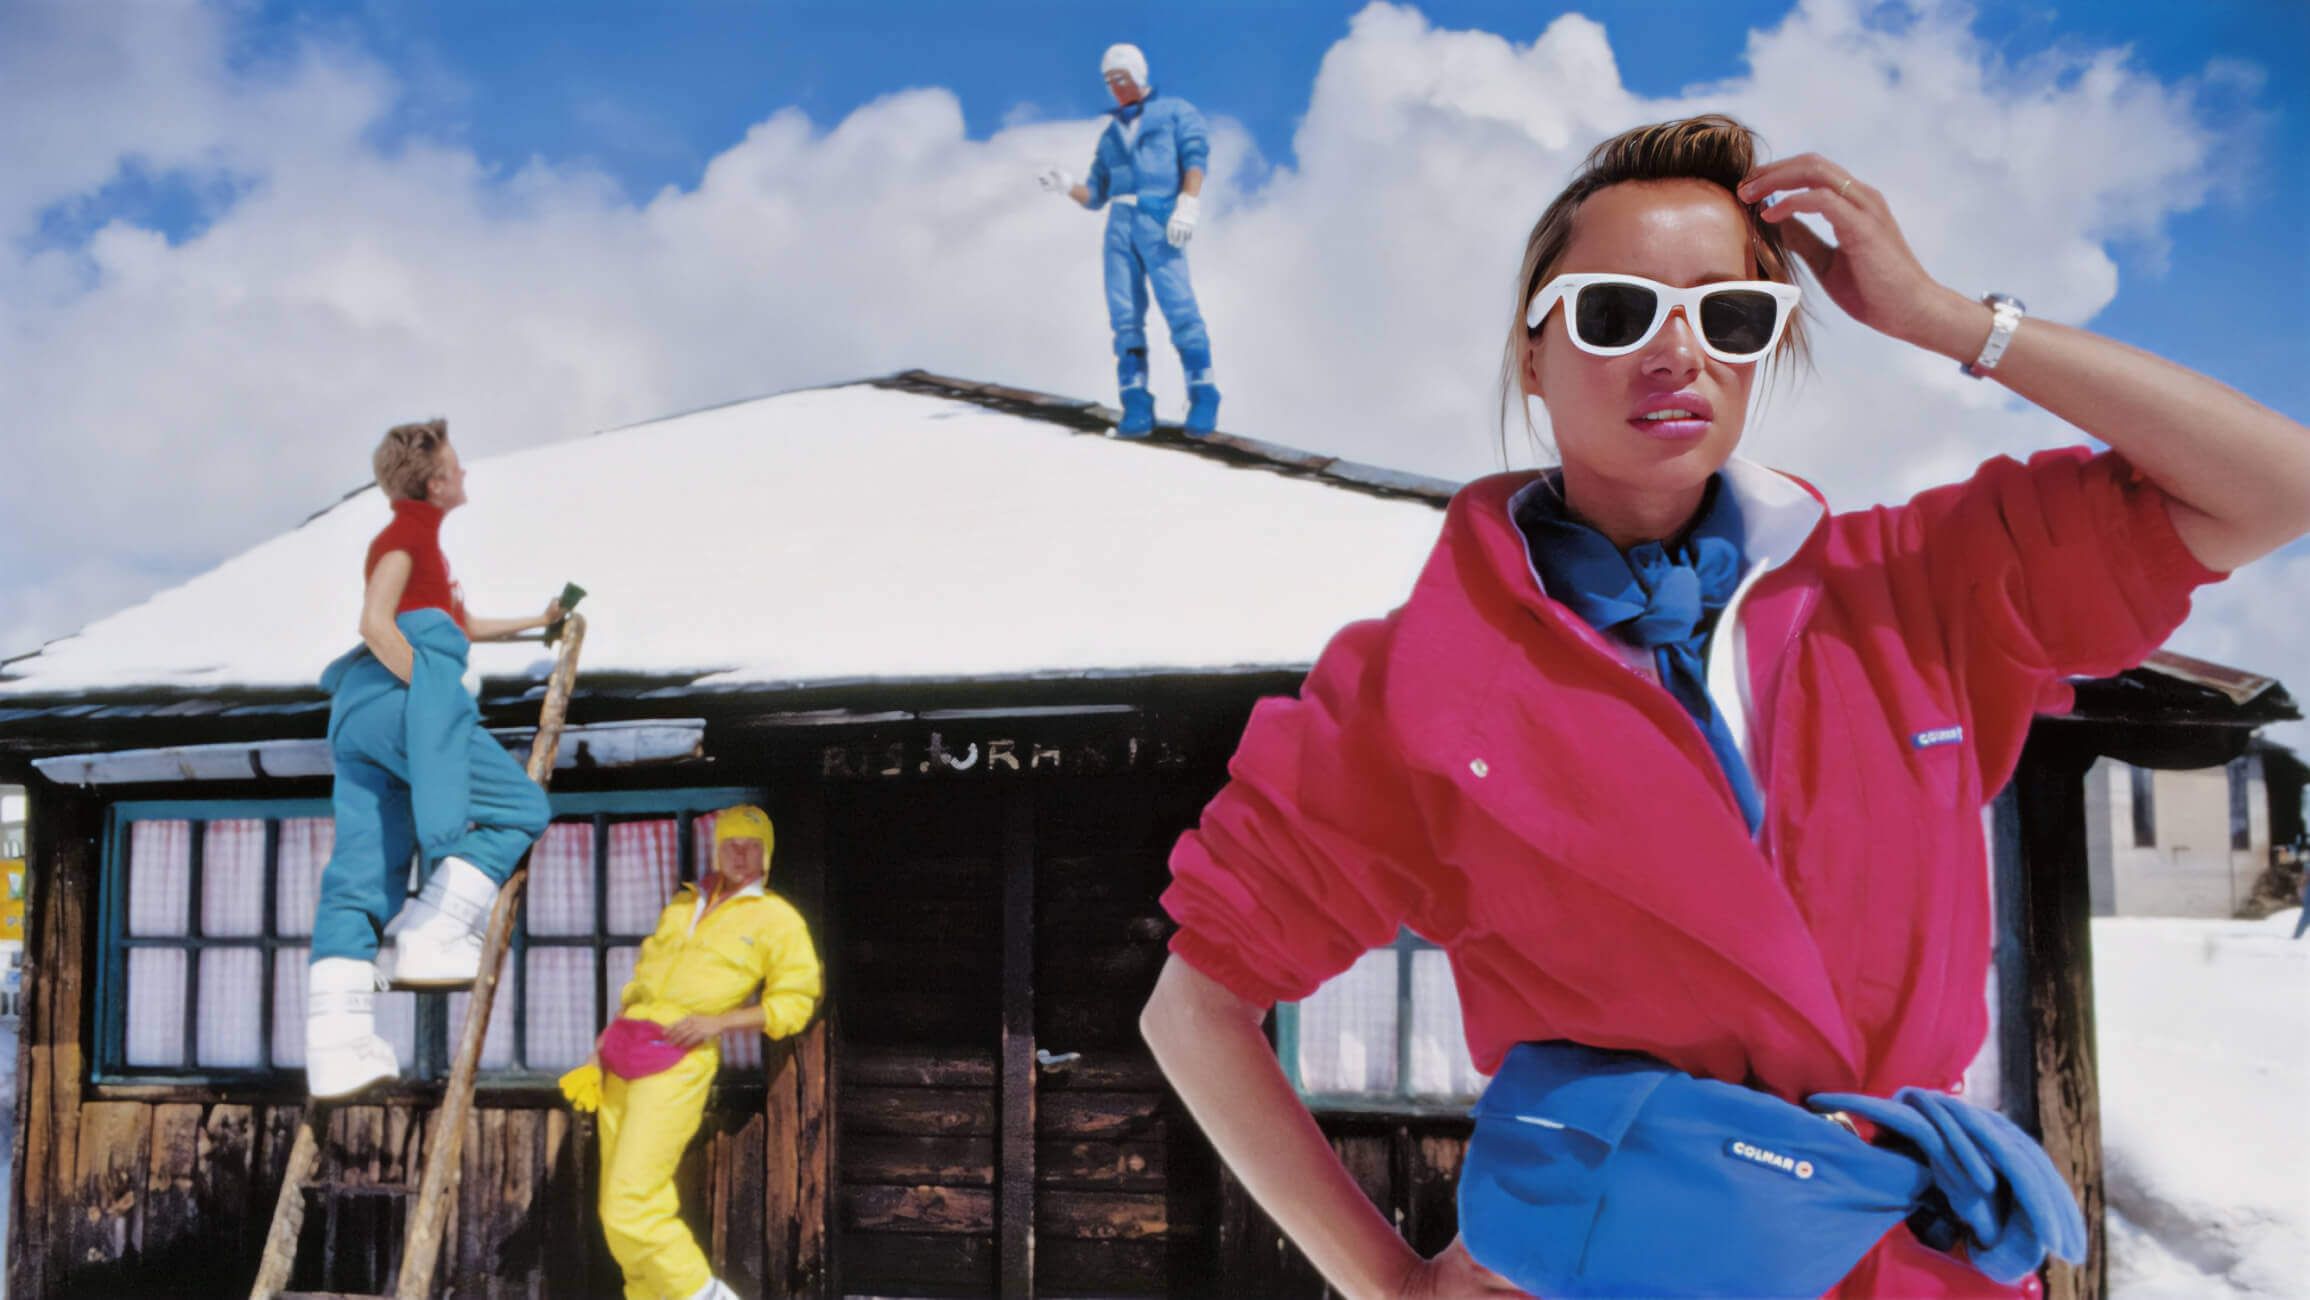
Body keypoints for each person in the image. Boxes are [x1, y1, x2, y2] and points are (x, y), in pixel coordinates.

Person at [1141, 114, 2310, 1298]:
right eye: (1615, 311)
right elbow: (1195, 1009)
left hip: (1910, 1272)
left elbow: (2275, 485)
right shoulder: (1416, 690)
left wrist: (1948, 319)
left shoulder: (1916, 589)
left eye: (1729, 316)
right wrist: (1389, 1286)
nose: (1676, 353)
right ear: (1533, 355)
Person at [307, 418, 560, 1100]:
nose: (467, 474)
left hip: (359, 715)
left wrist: (539, 621)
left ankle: (337, 1044)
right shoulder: (406, 535)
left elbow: (465, 626)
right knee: (518, 807)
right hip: (401, 697)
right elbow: (374, 621)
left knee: (360, 874)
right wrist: (427, 692)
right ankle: (433, 933)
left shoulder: (427, 548)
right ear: (436, 480)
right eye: (458, 465)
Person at [556, 804, 822, 1300]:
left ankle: (703, 1294)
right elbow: (641, 986)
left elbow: (795, 1002)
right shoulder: (682, 906)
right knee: (614, 1212)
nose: (740, 854)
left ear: (767, 856)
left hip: (677, 1062)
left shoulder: (777, 920)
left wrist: (720, 1021)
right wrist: (604, 1041)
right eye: (731, 843)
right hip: (621, 1053)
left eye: (751, 846)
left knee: (633, 1203)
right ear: (717, 847)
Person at [1038, 42, 1221, 437]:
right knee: (1124, 314)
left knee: (1178, 303)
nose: (1116, 87)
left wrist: (1188, 202)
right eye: (1109, 82)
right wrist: (1068, 185)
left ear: (1138, 74)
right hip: (1118, 225)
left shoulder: (1175, 113)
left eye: (1121, 78)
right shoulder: (1109, 137)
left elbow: (1195, 156)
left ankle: (1203, 391)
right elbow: (1097, 196)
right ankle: (1136, 400)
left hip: (1158, 219)